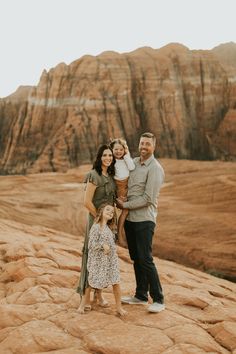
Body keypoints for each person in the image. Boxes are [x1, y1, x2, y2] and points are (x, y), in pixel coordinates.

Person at [116, 132, 165, 313]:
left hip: (145, 219)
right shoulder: (134, 163)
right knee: (136, 258)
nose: (144, 147)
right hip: (130, 219)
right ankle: (140, 295)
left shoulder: (155, 168)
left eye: (148, 144)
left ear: (154, 147)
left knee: (146, 259)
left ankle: (159, 299)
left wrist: (125, 204)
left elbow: (148, 198)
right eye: (142, 143)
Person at [76, 144, 116, 309]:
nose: (108, 158)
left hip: (108, 222)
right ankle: (84, 298)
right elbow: (86, 201)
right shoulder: (93, 175)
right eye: (105, 155)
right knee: (93, 255)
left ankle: (99, 295)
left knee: (104, 257)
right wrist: (99, 220)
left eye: (110, 155)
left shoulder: (111, 177)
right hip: (96, 221)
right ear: (99, 158)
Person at [78, 203, 127, 316]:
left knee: (116, 282)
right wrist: (102, 246)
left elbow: (111, 245)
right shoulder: (96, 227)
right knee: (91, 282)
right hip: (98, 261)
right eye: (108, 210)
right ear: (101, 212)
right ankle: (82, 304)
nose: (110, 212)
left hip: (111, 261)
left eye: (112, 212)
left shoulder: (109, 229)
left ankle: (119, 308)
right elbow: (91, 244)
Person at [110, 138, 135, 246]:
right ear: (112, 149)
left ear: (124, 150)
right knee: (121, 209)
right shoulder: (111, 160)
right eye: (116, 149)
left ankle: (120, 234)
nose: (118, 151)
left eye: (121, 149)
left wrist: (126, 155)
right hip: (118, 186)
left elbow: (132, 167)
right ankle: (117, 235)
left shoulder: (126, 159)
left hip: (127, 186)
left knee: (126, 210)